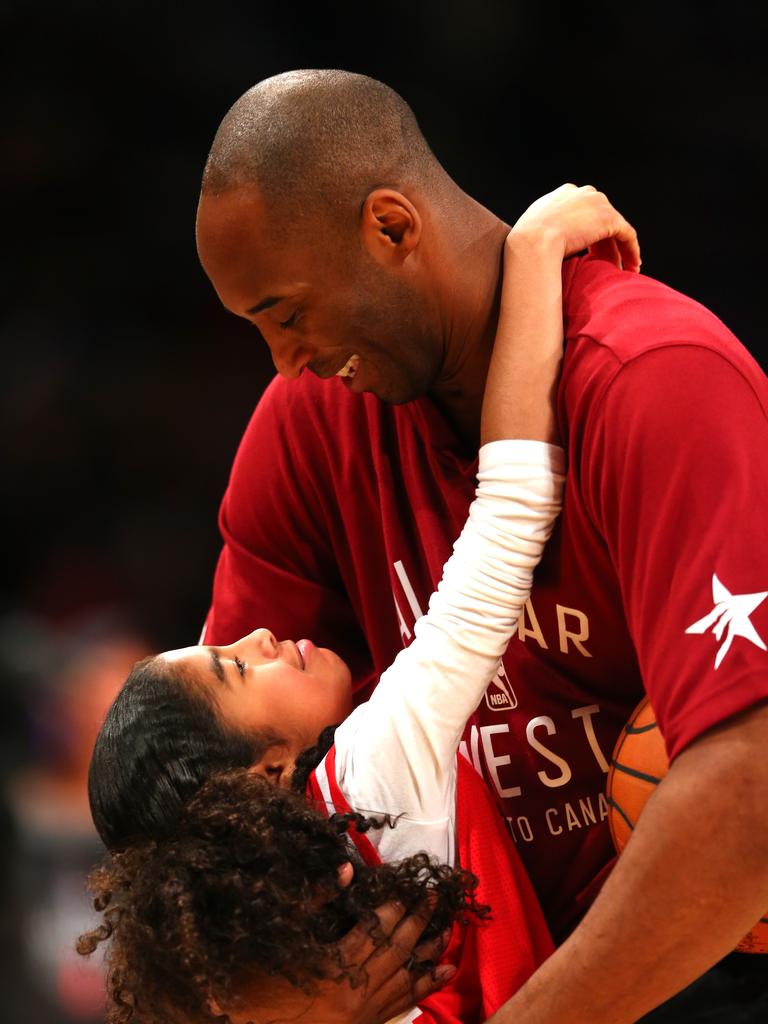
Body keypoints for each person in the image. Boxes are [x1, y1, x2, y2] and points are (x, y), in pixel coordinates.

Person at [192, 70, 768, 1023]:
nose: (283, 362)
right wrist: (262, 998)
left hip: (680, 974)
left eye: (287, 315)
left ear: (391, 227)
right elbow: (203, 797)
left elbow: (747, 789)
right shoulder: (311, 422)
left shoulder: (659, 379)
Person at [81, 186, 634, 1023]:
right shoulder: (370, 769)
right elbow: (512, 510)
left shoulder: (246, 949)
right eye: (234, 664)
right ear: (266, 777)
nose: (262, 637)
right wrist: (528, 260)